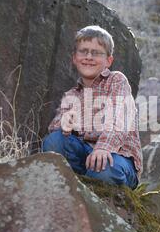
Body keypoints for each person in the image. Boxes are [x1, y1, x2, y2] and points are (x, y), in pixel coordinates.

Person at [42, 25, 143, 190]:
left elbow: (119, 119)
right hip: (85, 156)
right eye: (83, 51)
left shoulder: (116, 81)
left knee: (103, 168)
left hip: (118, 158)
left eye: (96, 53)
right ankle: (74, 185)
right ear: (74, 58)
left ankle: (94, 186)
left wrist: (104, 147)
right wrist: (64, 123)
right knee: (54, 142)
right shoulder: (72, 95)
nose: (88, 57)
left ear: (108, 61)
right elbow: (56, 127)